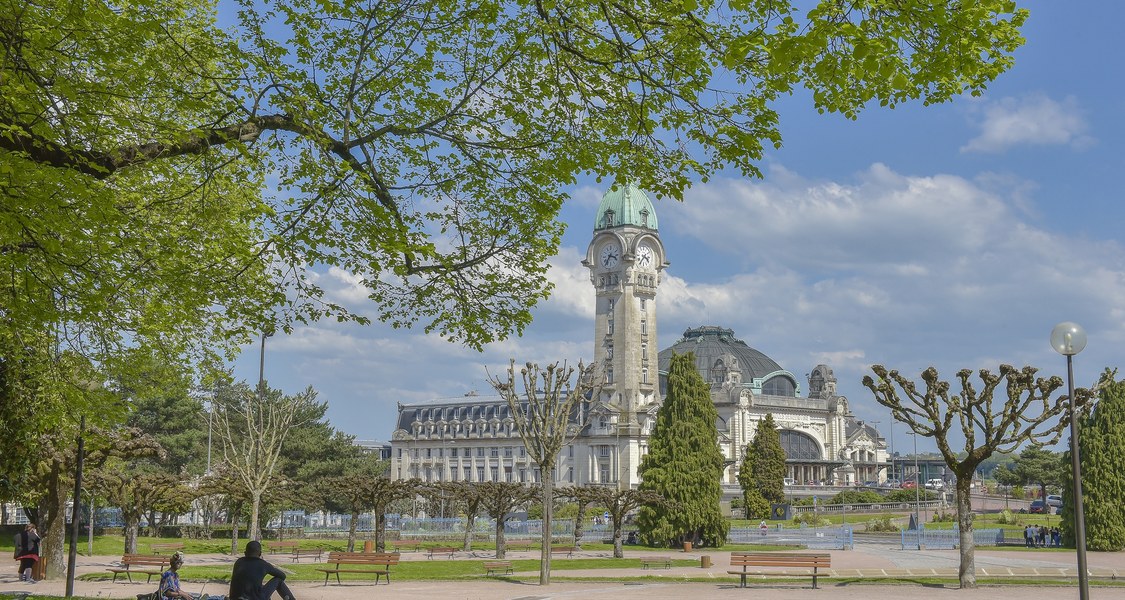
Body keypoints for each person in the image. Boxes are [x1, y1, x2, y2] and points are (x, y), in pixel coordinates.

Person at [228, 541, 295, 600]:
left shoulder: (238, 562)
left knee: (259, 587)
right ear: (260, 554)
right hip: (255, 598)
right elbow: (282, 576)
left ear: (245, 553)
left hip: (234, 598)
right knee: (278, 581)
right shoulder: (263, 564)